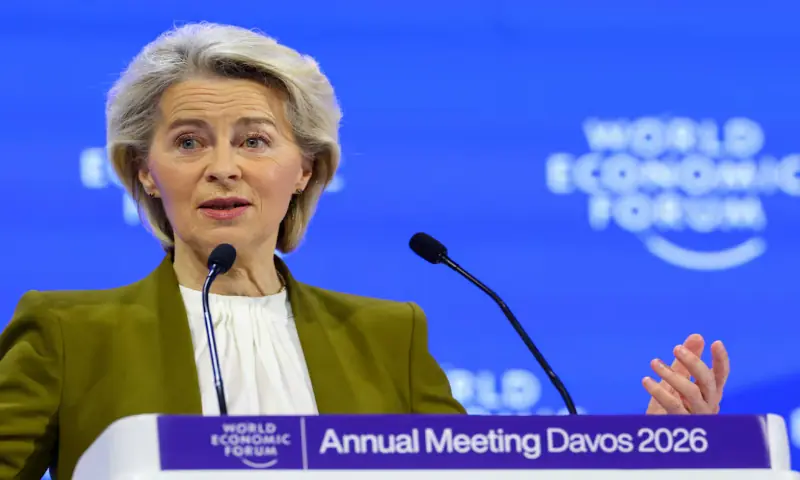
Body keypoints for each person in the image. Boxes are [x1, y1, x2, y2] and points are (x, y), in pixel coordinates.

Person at [0, 22, 730, 479]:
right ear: (144, 172)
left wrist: (672, 453)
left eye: (255, 140)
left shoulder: (389, 337)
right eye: (188, 141)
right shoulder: (70, 333)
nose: (223, 166)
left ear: (306, 168)